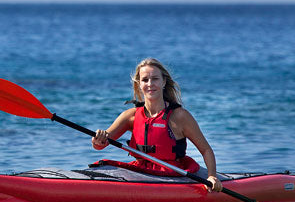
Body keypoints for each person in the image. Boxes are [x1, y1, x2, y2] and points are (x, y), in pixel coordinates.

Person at [91, 58, 222, 192]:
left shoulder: (180, 116)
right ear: (138, 84)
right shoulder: (130, 116)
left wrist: (212, 176)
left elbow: (206, 150)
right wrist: (98, 139)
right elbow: (100, 144)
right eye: (145, 80)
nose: (150, 84)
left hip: (172, 173)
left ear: (163, 82)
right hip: (140, 172)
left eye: (155, 79)